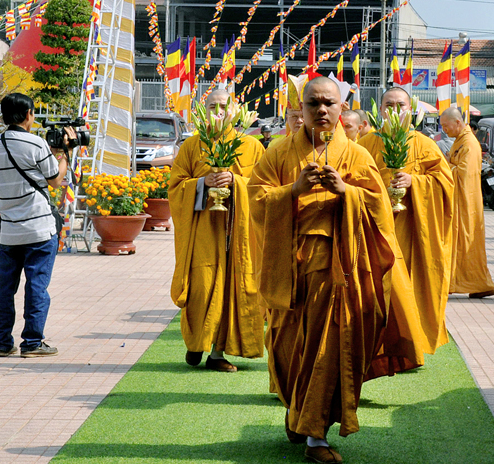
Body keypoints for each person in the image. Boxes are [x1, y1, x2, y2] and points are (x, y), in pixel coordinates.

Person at [248, 76, 402, 464]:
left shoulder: (358, 156)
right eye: (313, 103)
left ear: (341, 109)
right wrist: (293, 191)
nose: (321, 110)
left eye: (329, 103)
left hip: (336, 269)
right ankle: (297, 411)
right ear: (300, 109)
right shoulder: (278, 153)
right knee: (287, 348)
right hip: (287, 265)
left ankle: (315, 434)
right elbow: (255, 201)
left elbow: (380, 209)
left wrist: (347, 192)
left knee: (327, 348)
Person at [169, 89, 265, 372]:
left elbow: (262, 186)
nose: (218, 112)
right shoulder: (192, 145)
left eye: (224, 106)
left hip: (238, 231)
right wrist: (202, 183)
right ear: (203, 111)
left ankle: (216, 353)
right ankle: (196, 342)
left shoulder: (251, 146)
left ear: (235, 111)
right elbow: (175, 187)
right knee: (201, 286)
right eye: (212, 106)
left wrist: (235, 180)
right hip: (203, 231)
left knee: (233, 288)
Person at [358, 87, 454, 355]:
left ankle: (413, 341)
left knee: (410, 284)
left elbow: (445, 184)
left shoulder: (424, 144)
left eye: (400, 105)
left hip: (412, 230)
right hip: (375, 228)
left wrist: (415, 182)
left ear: (410, 110)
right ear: (380, 110)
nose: (394, 110)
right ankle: (375, 344)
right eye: (388, 105)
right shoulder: (366, 145)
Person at [0, 93, 72, 358]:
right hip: (38, 229)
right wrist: (66, 154)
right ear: (28, 114)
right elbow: (55, 180)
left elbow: (27, 169)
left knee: (6, 287)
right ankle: (33, 342)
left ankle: (3, 343)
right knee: (36, 286)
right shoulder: (36, 143)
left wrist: (50, 154)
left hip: (9, 230)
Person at [440, 108, 494, 299]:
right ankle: (468, 283)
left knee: (466, 243)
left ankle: (479, 284)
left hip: (466, 202)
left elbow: (463, 174)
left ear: (458, 122)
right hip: (459, 200)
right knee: (459, 243)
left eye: (446, 126)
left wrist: (446, 164)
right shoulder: (460, 140)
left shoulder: (469, 143)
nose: (444, 130)